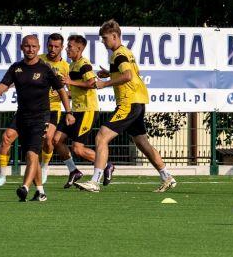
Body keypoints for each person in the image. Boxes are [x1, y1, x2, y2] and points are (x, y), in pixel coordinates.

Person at [75, 20, 176, 193]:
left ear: (115, 36)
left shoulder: (118, 54)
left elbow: (128, 75)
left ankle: (95, 181)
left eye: (105, 38)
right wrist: (111, 73)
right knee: (142, 142)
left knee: (101, 137)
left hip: (128, 103)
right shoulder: (126, 52)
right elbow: (133, 74)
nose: (103, 42)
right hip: (138, 101)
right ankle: (167, 176)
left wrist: (104, 83)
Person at [0, 34, 74, 202]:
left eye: (33, 46)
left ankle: (24, 187)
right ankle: (40, 191)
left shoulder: (46, 69)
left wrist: (68, 112)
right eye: (27, 46)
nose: (30, 49)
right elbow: (3, 85)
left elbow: (61, 90)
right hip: (21, 116)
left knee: (32, 154)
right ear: (21, 48)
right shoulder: (16, 68)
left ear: (38, 48)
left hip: (41, 118)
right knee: (19, 147)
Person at [51, 34, 99, 188]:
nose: (67, 49)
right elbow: (76, 91)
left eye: (70, 46)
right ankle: (74, 170)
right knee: (56, 140)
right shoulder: (72, 65)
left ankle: (106, 164)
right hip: (75, 110)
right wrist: (62, 94)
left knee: (77, 149)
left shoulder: (84, 64)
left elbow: (92, 83)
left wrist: (70, 81)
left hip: (87, 110)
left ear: (79, 48)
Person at [38, 33, 71, 184]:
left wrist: (62, 92)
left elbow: (73, 92)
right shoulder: (39, 60)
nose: (52, 49)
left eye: (56, 46)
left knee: (48, 139)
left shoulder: (66, 67)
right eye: (50, 46)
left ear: (62, 48)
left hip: (53, 108)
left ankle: (44, 167)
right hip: (36, 107)